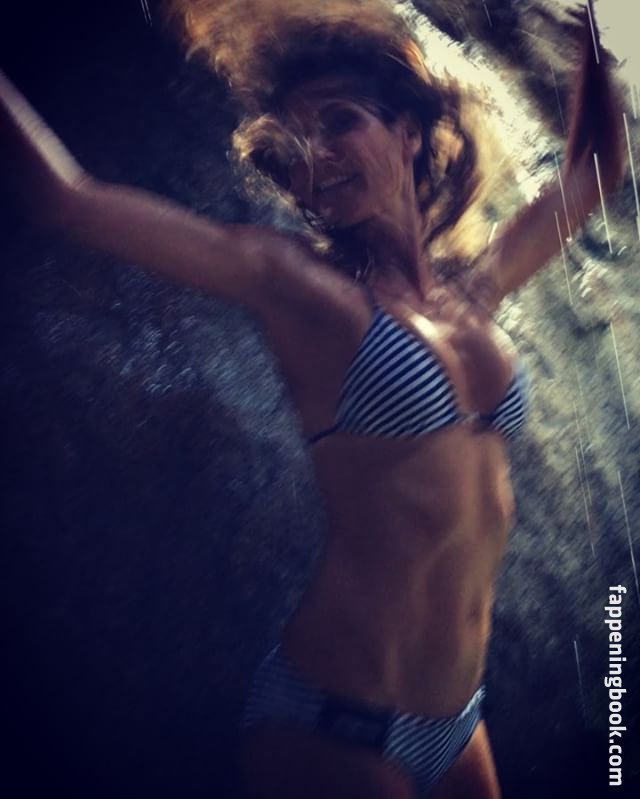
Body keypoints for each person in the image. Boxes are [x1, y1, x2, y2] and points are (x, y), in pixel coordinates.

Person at [0, 0, 624, 796]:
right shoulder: (298, 284)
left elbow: (595, 170)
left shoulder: (474, 293)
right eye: (296, 146)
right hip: (336, 725)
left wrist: (597, 30)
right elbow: (67, 198)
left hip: (457, 724)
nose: (318, 157)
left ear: (407, 130)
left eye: (339, 122)